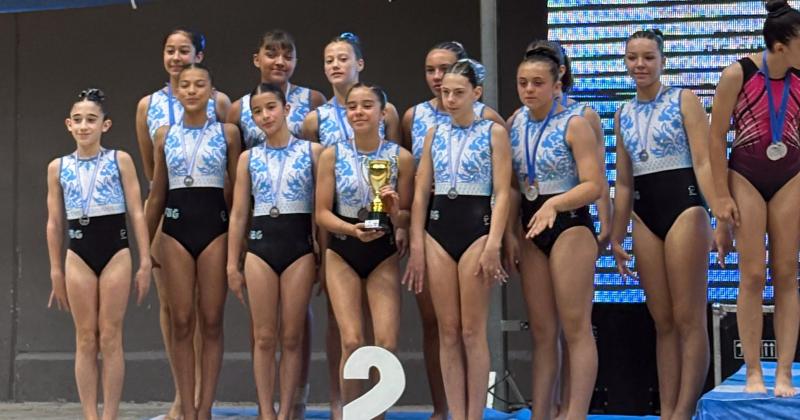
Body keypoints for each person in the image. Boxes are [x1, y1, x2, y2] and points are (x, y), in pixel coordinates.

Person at [610, 29, 715, 419]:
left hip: (685, 209)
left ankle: (684, 410)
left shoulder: (684, 100)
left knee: (688, 318)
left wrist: (718, 213)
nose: (640, 65)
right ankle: (667, 409)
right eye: (633, 57)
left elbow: (704, 162)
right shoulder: (623, 113)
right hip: (644, 215)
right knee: (663, 320)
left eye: (648, 57)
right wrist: (617, 236)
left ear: (662, 60)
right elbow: (623, 182)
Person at [400, 40, 505, 420]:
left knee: (472, 331)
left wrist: (494, 242)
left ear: (477, 93)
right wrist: (416, 244)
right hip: (437, 234)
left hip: (477, 231)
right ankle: (455, 413)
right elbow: (420, 195)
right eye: (445, 93)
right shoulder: (433, 134)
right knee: (447, 329)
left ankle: (474, 414)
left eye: (458, 93)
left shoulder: (493, 131)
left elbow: (504, 192)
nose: (450, 99)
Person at [133, 28, 230, 419]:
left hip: (214, 219)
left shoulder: (222, 110)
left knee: (208, 318)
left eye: (183, 51)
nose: (176, 57)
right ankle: (181, 399)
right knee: (176, 313)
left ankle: (202, 405)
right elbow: (152, 173)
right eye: (169, 50)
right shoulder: (149, 109)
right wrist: (145, 241)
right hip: (170, 215)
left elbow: (231, 179)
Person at [506, 48, 604, 420]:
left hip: (569, 223)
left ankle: (575, 413)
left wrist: (556, 204)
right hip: (532, 224)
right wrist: (512, 231)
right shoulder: (515, 122)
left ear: (557, 82)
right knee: (543, 331)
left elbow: (594, 184)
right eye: (522, 83)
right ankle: (541, 413)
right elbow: (512, 185)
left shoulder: (575, 122)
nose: (529, 90)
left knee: (575, 326)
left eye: (537, 83)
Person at [710, 0, 800, 397]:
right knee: (752, 274)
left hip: (791, 175)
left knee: (785, 272)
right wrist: (719, 199)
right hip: (745, 175)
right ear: (781, 45)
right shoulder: (737, 74)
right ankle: (752, 371)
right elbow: (715, 140)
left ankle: (783, 371)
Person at [46, 88, 151, 420]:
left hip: (116, 252)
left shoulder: (120, 160)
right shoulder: (57, 167)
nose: (84, 126)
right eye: (77, 120)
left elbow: (137, 212)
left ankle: (110, 416)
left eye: (91, 120)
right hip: (78, 254)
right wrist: (55, 271)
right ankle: (91, 415)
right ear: (68, 125)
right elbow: (53, 222)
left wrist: (145, 260)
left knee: (110, 335)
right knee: (85, 337)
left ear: (105, 125)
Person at [315, 83, 413, 419]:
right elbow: (322, 213)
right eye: (352, 106)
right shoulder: (332, 155)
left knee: (386, 345)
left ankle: (376, 415)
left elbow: (407, 217)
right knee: (353, 341)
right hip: (343, 249)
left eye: (366, 105)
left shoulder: (401, 158)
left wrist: (395, 209)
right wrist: (350, 230)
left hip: (382, 251)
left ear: (382, 112)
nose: (358, 112)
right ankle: (353, 414)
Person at [227, 83, 322, 420]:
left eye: (270, 107)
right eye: (257, 111)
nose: (264, 115)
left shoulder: (312, 153)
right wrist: (231, 264)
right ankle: (266, 411)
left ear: (286, 109)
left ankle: (286, 412)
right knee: (264, 337)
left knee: (293, 336)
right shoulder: (248, 159)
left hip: (298, 248)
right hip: (260, 246)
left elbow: (319, 210)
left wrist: (320, 254)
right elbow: (238, 214)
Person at [228, 29, 326, 147]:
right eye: (271, 55)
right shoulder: (238, 109)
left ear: (295, 62)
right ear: (257, 59)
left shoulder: (313, 99)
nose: (280, 62)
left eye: (288, 57)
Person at [301, 32, 402, 145]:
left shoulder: (386, 110)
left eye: (343, 59)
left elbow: (396, 157)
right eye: (329, 61)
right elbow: (314, 161)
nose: (335, 65)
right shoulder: (314, 120)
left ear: (360, 64)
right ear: (325, 69)